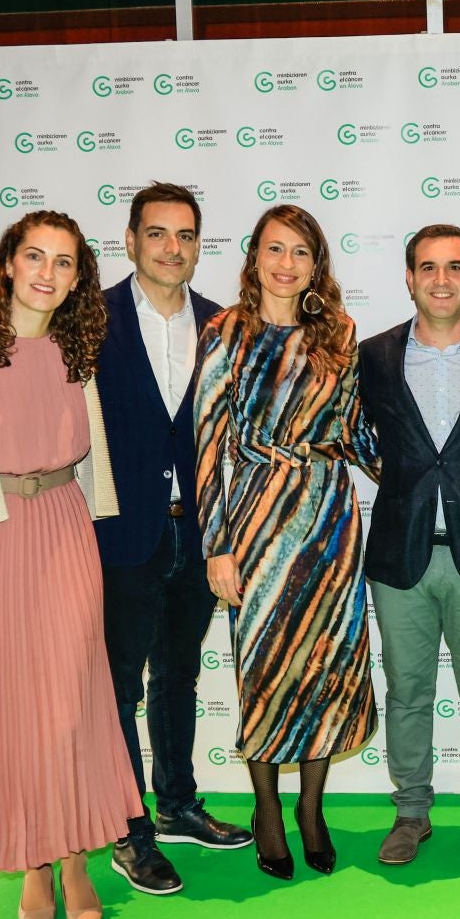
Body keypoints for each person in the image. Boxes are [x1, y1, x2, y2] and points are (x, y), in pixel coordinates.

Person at [0, 209, 142, 919]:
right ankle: (33, 859)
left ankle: (77, 853)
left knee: (73, 701)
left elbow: (92, 457)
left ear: (79, 278)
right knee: (15, 705)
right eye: (35, 256)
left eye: (64, 262)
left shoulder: (76, 348)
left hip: (63, 527)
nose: (47, 272)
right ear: (8, 264)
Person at [194, 204, 379, 882]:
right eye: (275, 249)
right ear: (254, 256)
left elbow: (357, 429)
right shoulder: (225, 333)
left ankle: (311, 808)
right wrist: (218, 543)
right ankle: (266, 808)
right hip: (257, 519)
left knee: (326, 666)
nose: (286, 264)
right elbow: (209, 443)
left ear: (316, 264)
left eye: (301, 252)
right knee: (266, 669)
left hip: (329, 517)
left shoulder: (338, 331)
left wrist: (427, 468)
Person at [94, 182, 250, 898]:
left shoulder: (223, 324)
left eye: (185, 235)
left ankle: (179, 802)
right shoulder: (89, 320)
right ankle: (131, 830)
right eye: (157, 233)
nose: (172, 247)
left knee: (179, 674)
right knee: (120, 687)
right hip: (121, 534)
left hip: (201, 532)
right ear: (130, 241)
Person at [360, 225, 460, 865]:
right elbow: (359, 439)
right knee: (406, 691)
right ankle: (411, 812)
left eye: (455, 267)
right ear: (409, 278)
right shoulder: (372, 355)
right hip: (401, 552)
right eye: (428, 267)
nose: (442, 279)